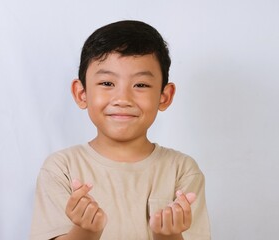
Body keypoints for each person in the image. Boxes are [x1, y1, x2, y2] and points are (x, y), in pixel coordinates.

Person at [30, 20, 211, 240]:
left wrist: (168, 236)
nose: (123, 99)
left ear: (165, 96)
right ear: (81, 93)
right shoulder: (61, 168)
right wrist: (86, 231)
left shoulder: (182, 170)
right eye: (107, 83)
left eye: (141, 85)